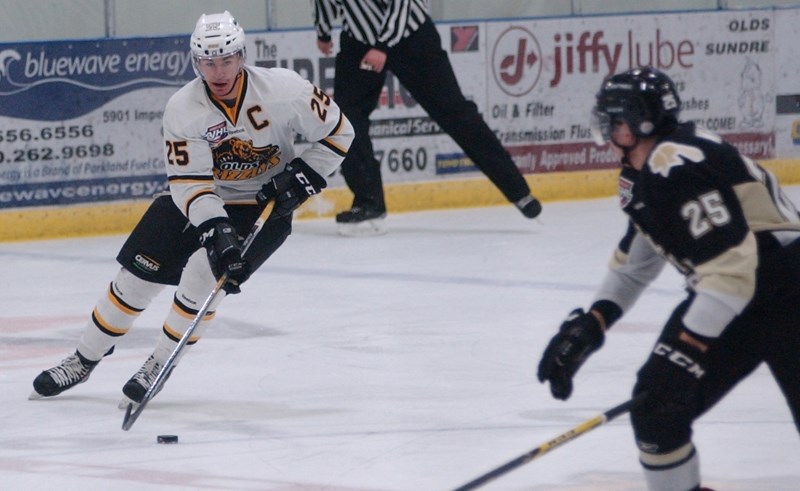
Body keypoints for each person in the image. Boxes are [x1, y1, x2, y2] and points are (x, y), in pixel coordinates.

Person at [29, 11, 354, 406]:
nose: (218, 71)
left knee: (203, 275)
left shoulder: (285, 89)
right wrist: (216, 230)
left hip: (262, 205)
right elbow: (192, 185)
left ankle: (158, 364)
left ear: (242, 55)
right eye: (207, 61)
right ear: (194, 61)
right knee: (135, 279)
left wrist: (304, 176)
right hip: (201, 201)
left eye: (227, 60)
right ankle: (82, 360)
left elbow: (340, 131)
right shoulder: (183, 108)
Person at [536, 67, 800, 491]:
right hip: (739, 298)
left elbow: (732, 267)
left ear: (639, 123)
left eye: (615, 121)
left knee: (662, 397)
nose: (607, 131)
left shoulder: (673, 166)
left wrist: (689, 345)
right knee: (659, 406)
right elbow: (635, 263)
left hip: (786, 288)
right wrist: (592, 325)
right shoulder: (651, 170)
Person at [311, 0, 542, 237]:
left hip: (411, 37)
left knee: (455, 112)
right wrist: (324, 31)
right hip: (360, 39)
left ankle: (518, 191)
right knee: (347, 119)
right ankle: (369, 203)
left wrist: (382, 46)